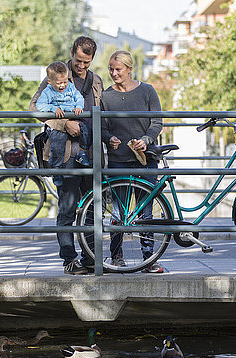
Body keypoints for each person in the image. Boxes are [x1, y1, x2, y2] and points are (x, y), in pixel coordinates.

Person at [29, 36, 103, 275]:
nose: (81, 66)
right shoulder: (56, 76)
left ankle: (91, 257)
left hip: (90, 154)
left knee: (94, 208)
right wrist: (63, 124)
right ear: (72, 52)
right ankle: (69, 260)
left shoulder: (96, 82)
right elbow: (34, 108)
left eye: (87, 63)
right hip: (66, 154)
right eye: (79, 60)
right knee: (68, 208)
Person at [100, 50, 164, 273]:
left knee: (146, 211)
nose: (113, 73)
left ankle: (149, 258)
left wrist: (146, 140)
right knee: (119, 212)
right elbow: (102, 127)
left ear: (129, 69)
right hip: (119, 161)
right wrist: (109, 138)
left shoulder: (147, 91)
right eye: (111, 69)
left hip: (145, 160)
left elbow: (157, 122)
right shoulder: (106, 97)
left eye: (118, 69)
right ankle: (116, 256)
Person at [36, 61, 92, 180]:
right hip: (59, 123)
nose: (62, 86)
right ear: (50, 81)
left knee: (87, 130)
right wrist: (53, 108)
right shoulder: (47, 91)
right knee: (57, 144)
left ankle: (82, 152)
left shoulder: (70, 87)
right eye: (59, 83)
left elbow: (79, 97)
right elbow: (40, 105)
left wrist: (78, 106)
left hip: (75, 117)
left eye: (65, 82)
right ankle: (56, 170)